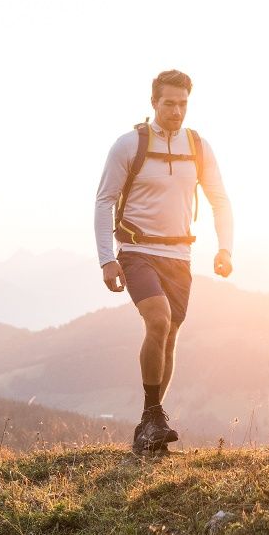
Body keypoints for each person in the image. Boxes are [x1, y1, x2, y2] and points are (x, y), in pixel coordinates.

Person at [94, 69, 234, 455]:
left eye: (183, 103)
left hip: (180, 255)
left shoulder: (198, 146)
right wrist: (107, 259)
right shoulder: (129, 144)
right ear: (153, 102)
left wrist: (225, 249)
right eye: (169, 103)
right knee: (158, 320)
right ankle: (154, 417)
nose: (176, 110)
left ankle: (147, 426)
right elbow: (104, 200)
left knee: (169, 335)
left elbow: (220, 200)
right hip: (137, 251)